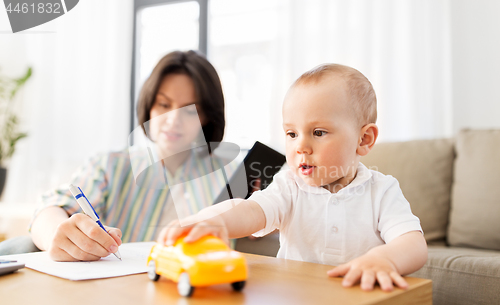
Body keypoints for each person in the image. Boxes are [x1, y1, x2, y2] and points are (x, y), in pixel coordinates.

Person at [159, 63, 428, 292]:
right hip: (296, 301)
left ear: (364, 139)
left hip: (358, 302)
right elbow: (251, 210)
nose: (300, 146)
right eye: (291, 134)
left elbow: (413, 244)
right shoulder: (289, 186)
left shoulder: (381, 190)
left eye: (319, 132)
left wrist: (385, 260)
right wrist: (216, 221)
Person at [23, 50, 236, 261]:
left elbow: (257, 221)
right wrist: (55, 234)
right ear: (149, 104)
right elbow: (52, 207)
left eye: (190, 111)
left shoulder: (229, 175)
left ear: (207, 117)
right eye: (164, 104)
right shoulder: (111, 165)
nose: (173, 120)